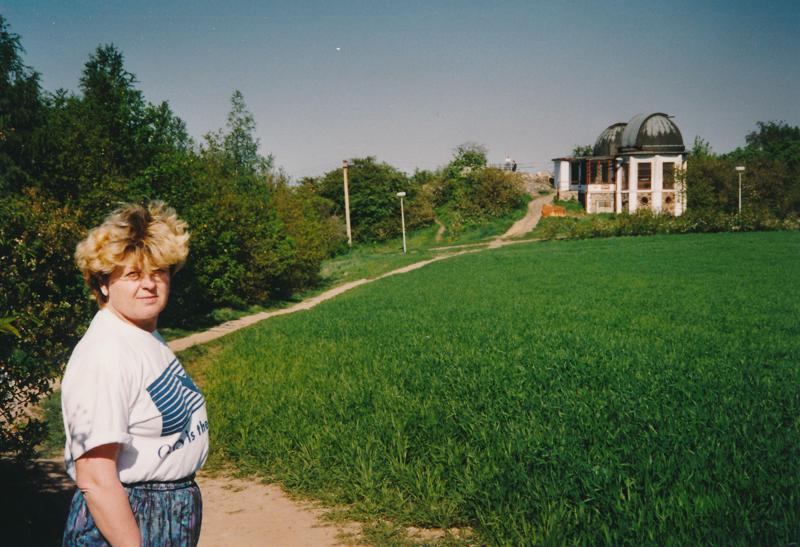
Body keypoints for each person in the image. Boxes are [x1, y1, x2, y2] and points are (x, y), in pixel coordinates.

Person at [61, 201, 208, 546]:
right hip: (128, 516)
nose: (149, 284)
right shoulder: (105, 353)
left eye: (158, 272)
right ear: (104, 284)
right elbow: (95, 478)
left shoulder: (142, 334)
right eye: (133, 274)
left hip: (166, 511)